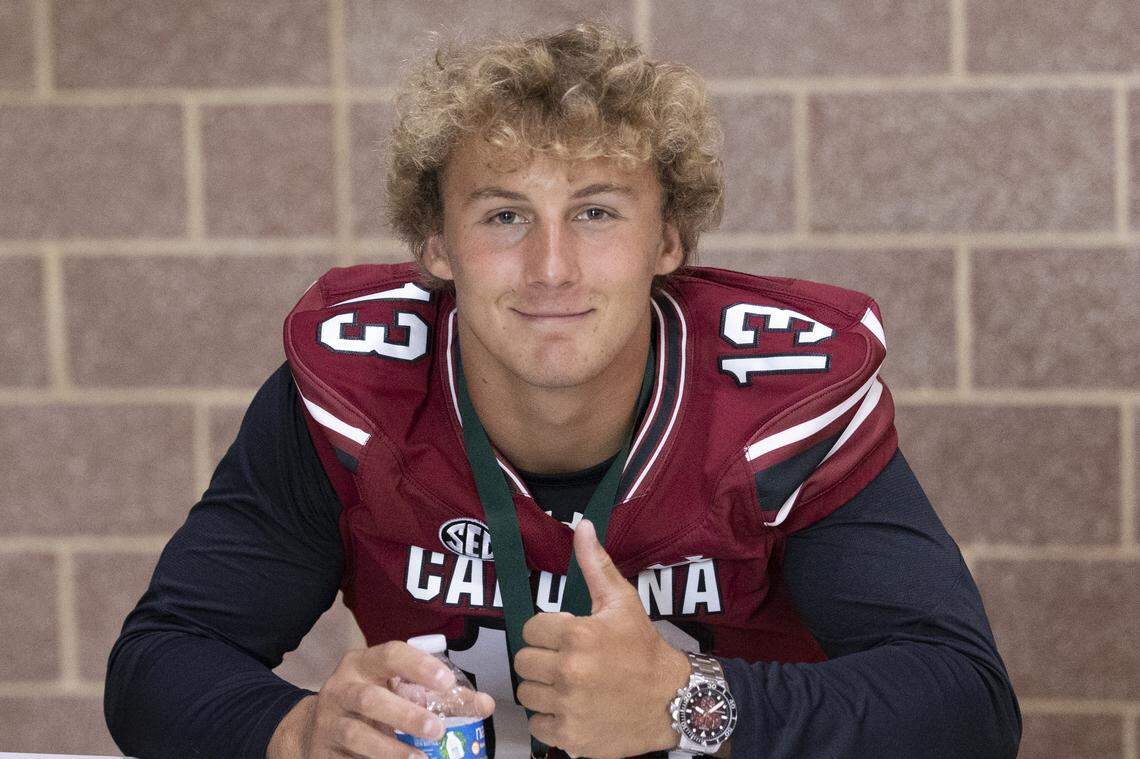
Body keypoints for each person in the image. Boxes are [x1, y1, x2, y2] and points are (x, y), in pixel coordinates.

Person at [105, 23, 1021, 759]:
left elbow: (965, 705)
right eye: (504, 214)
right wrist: (296, 732)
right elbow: (160, 660)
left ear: (669, 241)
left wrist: (690, 704)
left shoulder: (778, 405)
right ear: (435, 245)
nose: (550, 268)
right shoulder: (359, 388)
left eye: (596, 211)